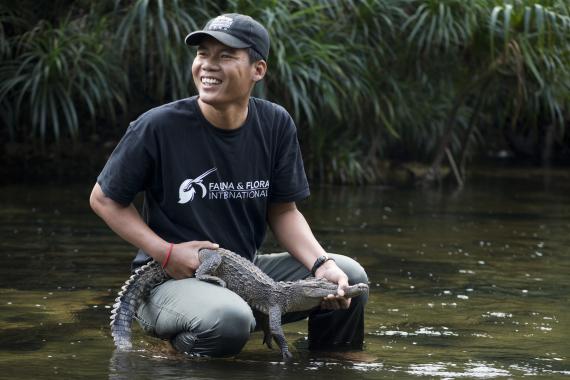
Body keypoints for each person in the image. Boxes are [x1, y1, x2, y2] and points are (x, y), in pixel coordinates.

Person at [90, 13, 368, 357]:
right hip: (170, 279)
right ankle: (172, 353)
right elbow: (104, 199)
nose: (208, 65)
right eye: (203, 54)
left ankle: (332, 365)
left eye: (225, 56)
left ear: (258, 70)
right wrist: (166, 252)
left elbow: (283, 211)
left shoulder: (275, 123)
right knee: (228, 319)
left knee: (348, 278)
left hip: (245, 274)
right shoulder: (158, 127)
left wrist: (322, 265)